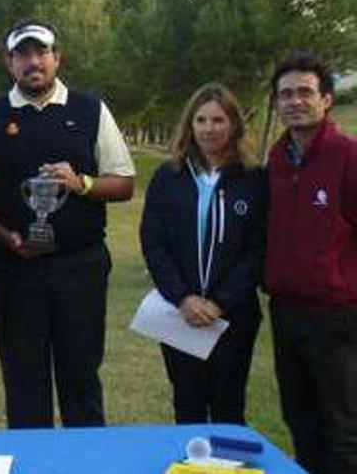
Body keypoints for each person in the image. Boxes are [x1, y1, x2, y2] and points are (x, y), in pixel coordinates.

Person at [0, 20, 135, 428]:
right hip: (14, 270)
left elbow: (123, 184)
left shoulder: (91, 110)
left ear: (57, 58)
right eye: (23, 54)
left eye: (41, 53)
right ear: (9, 63)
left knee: (81, 379)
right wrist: (6, 238)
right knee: (23, 383)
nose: (33, 62)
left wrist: (82, 183)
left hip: (80, 267)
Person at [140, 83, 266, 425]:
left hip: (232, 316)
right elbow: (153, 242)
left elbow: (257, 250)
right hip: (179, 313)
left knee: (229, 407)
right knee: (187, 404)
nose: (209, 128)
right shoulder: (169, 177)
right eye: (201, 120)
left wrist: (220, 302)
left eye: (218, 120)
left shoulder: (254, 179)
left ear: (234, 125)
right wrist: (184, 298)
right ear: (190, 126)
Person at [264, 50, 357, 474]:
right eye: (285, 94)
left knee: (340, 425)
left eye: (305, 92)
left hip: (336, 315)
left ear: (326, 100)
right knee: (299, 419)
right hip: (286, 310)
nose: (295, 101)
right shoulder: (278, 159)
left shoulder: (347, 155)